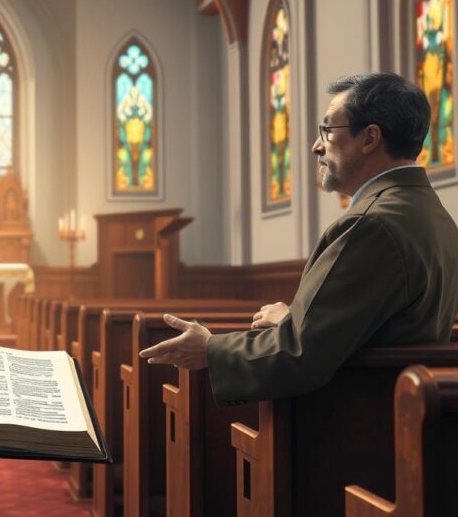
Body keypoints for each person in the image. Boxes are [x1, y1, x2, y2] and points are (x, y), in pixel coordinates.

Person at [140, 73, 458, 406]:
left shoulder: (371, 225)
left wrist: (209, 348)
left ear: (369, 139)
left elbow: (300, 353)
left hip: (356, 420)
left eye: (328, 130)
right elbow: (386, 327)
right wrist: (296, 319)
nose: (316, 145)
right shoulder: (433, 216)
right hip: (397, 406)